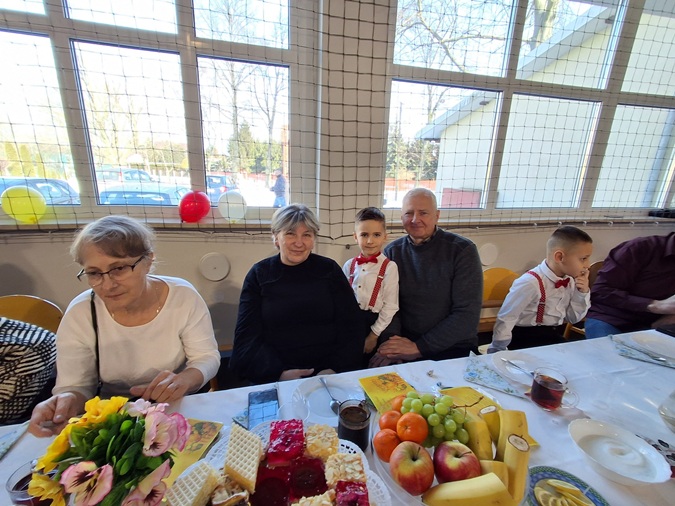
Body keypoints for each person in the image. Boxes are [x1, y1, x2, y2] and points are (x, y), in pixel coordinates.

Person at [29, 215, 220, 437]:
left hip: (176, 406)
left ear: (148, 261)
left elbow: (206, 357)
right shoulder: (81, 313)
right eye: (94, 273)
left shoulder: (183, 297)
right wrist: (65, 402)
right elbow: (76, 385)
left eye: (119, 268)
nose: (108, 284)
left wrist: (183, 381)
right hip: (114, 416)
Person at [230, 203, 363, 384]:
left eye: (306, 235)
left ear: (314, 239)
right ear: (276, 237)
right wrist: (278, 373)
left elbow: (351, 325)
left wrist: (334, 368)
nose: (299, 243)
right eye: (290, 234)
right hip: (278, 373)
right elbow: (247, 335)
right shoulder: (259, 274)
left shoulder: (329, 270)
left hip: (327, 371)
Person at [370, 188, 483, 367]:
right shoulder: (392, 252)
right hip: (404, 343)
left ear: (437, 216)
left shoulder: (462, 250)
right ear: (401, 217)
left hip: (452, 347)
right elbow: (389, 306)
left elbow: (466, 315)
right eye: (409, 213)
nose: (415, 220)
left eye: (423, 213)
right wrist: (392, 345)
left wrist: (419, 348)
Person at [487, 226, 593, 353]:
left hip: (551, 335)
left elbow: (573, 318)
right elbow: (507, 317)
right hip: (524, 339)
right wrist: (498, 350)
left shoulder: (570, 281)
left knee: (580, 357)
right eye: (583, 259)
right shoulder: (530, 283)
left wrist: (581, 293)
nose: (587, 265)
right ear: (559, 257)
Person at [585, 232, 675, 338]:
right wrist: (655, 305)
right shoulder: (639, 247)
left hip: (658, 323)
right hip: (611, 318)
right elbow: (600, 291)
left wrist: (664, 321)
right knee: (612, 348)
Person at [342, 207, 399, 363]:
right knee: (349, 362)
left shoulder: (389, 267)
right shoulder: (349, 265)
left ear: (385, 237)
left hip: (374, 324)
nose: (370, 241)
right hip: (351, 322)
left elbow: (391, 306)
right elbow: (342, 298)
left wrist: (373, 335)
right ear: (355, 237)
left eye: (376, 235)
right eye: (364, 235)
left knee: (368, 363)